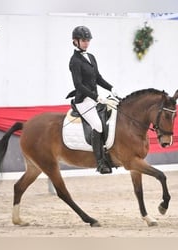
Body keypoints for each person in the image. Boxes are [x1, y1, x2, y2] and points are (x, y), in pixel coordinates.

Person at [68, 26, 119, 174]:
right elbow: (78, 85)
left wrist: (111, 88)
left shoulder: (91, 57)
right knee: (98, 125)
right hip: (83, 100)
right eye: (83, 40)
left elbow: (98, 78)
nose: (86, 43)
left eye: (88, 40)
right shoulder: (74, 61)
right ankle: (101, 162)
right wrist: (96, 97)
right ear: (75, 41)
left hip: (94, 99)